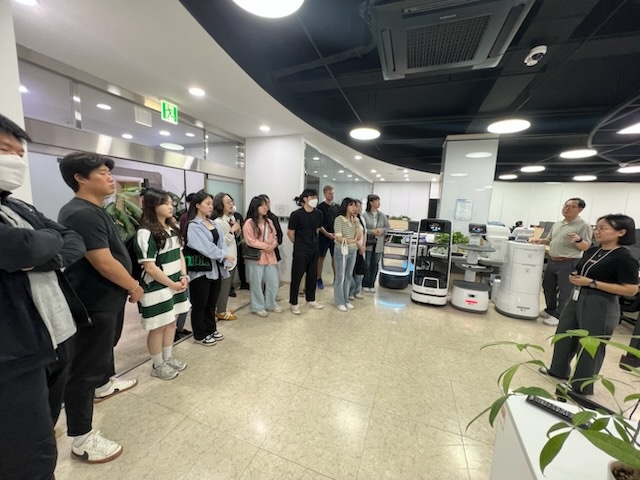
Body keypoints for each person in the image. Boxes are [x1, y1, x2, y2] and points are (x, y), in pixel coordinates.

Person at [0, 114, 88, 479]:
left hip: (56, 333)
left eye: (20, 154)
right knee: (30, 457)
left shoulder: (18, 206)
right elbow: (21, 246)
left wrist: (42, 252)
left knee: (44, 428)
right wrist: (42, 246)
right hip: (16, 354)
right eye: (4, 150)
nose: (15, 161)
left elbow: (71, 240)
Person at [58, 152, 141, 463]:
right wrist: (133, 285)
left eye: (109, 172)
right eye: (103, 173)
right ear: (80, 178)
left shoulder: (95, 210)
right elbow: (103, 262)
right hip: (93, 302)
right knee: (84, 368)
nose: (110, 178)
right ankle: (81, 438)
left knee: (104, 349)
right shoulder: (80, 213)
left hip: (107, 299)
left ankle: (104, 384)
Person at [541, 214, 638, 395]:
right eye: (596, 227)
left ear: (621, 232)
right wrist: (576, 278)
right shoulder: (593, 250)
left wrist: (592, 283)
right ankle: (558, 370)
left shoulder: (624, 257)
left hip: (601, 304)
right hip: (577, 298)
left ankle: (581, 386)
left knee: (590, 346)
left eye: (603, 228)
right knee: (564, 335)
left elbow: (631, 289)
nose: (597, 231)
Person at [135, 189, 190, 380]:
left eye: (171, 203)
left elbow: (180, 254)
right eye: (165, 203)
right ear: (152, 205)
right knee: (158, 326)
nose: (170, 206)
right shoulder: (145, 233)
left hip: (176, 283)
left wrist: (183, 276)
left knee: (171, 322)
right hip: (157, 288)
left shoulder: (172, 227)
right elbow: (149, 267)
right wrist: (172, 284)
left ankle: (167, 358)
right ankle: (157, 365)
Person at [530, 198, 593, 326]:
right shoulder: (558, 224)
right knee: (548, 286)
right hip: (553, 260)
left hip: (569, 262)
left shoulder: (583, 226)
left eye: (572, 206)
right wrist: (540, 241)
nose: (567, 208)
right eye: (566, 205)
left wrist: (579, 240)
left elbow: (586, 247)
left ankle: (560, 316)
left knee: (565, 291)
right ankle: (550, 310)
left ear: (580, 209)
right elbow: (549, 240)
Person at [185, 191, 233, 346]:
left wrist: (224, 257)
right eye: (207, 203)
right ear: (198, 205)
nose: (211, 206)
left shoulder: (213, 223)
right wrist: (223, 255)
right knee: (200, 304)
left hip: (215, 269)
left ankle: (211, 329)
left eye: (211, 203)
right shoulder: (193, 226)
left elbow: (221, 243)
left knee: (211, 303)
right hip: (201, 271)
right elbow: (205, 247)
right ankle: (199, 334)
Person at [287, 188, 324, 315]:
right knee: (297, 276)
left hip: (314, 249)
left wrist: (312, 242)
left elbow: (317, 230)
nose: (315, 200)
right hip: (301, 250)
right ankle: (294, 303)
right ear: (305, 199)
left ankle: (311, 299)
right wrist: (299, 244)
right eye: (312, 198)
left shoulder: (318, 214)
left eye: (316, 197)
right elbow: (290, 233)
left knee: (312, 275)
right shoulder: (296, 215)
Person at [243, 196, 281, 317]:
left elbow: (275, 236)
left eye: (266, 205)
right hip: (256, 257)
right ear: (256, 207)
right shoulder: (249, 223)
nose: (266, 207)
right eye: (262, 205)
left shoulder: (269, 222)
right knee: (256, 283)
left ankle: (271, 303)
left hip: (270, 255)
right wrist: (265, 246)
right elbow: (250, 240)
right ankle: (257, 306)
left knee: (273, 281)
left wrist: (273, 245)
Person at [213, 192, 240, 321]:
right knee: (224, 287)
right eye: (228, 202)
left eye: (231, 201)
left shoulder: (230, 218)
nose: (231, 204)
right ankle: (221, 312)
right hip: (225, 258)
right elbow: (221, 242)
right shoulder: (218, 222)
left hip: (232, 256)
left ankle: (221, 308)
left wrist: (236, 229)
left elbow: (234, 237)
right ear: (220, 205)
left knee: (227, 285)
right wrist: (232, 230)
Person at [175, 192, 196, 340]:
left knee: (187, 297)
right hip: (187, 259)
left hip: (188, 261)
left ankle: (179, 328)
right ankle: (177, 329)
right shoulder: (186, 218)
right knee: (184, 296)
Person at [333, 197, 360, 312]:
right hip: (342, 250)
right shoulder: (339, 219)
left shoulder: (354, 220)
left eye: (355, 205)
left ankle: (346, 299)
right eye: (351, 205)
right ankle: (339, 301)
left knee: (349, 275)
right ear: (345, 206)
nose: (354, 208)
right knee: (340, 277)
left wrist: (357, 224)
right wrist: (352, 240)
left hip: (353, 250)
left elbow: (358, 237)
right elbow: (339, 238)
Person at [361, 194, 390, 293]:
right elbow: (362, 229)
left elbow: (387, 227)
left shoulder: (382, 215)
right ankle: (365, 283)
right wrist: (372, 231)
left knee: (375, 264)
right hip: (368, 243)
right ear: (371, 202)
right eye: (376, 201)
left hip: (379, 244)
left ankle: (372, 284)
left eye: (379, 200)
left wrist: (381, 231)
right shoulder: (364, 215)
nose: (378, 203)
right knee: (367, 264)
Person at [316, 185, 340, 289]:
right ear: (325, 194)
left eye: (333, 193)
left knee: (335, 257)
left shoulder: (337, 207)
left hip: (335, 236)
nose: (332, 195)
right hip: (323, 236)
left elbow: (339, 222)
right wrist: (327, 234)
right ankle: (318, 278)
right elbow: (319, 224)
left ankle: (336, 278)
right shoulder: (320, 207)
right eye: (330, 193)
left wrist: (336, 234)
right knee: (320, 258)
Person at [349, 199, 367, 301]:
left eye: (360, 206)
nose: (359, 208)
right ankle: (350, 292)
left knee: (360, 271)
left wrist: (363, 246)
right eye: (357, 206)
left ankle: (357, 290)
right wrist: (359, 246)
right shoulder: (350, 219)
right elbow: (351, 235)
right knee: (351, 271)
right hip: (353, 247)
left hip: (361, 248)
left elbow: (365, 233)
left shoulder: (362, 219)